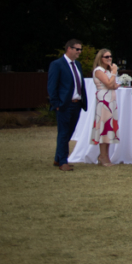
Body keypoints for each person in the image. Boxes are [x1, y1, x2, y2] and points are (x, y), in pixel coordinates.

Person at [47, 39, 88, 171]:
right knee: (63, 133)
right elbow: (52, 86)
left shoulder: (78, 65)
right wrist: (56, 104)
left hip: (76, 104)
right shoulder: (57, 64)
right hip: (64, 105)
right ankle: (63, 162)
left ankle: (58, 158)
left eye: (80, 49)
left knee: (68, 133)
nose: (79, 52)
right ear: (69, 49)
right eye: (77, 49)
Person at [91, 48, 121, 166]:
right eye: (106, 57)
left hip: (111, 100)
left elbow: (112, 85)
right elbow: (108, 84)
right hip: (104, 101)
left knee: (109, 128)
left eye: (110, 56)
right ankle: (102, 156)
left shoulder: (107, 70)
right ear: (101, 58)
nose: (109, 58)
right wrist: (114, 71)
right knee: (103, 127)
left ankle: (106, 155)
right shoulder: (99, 70)